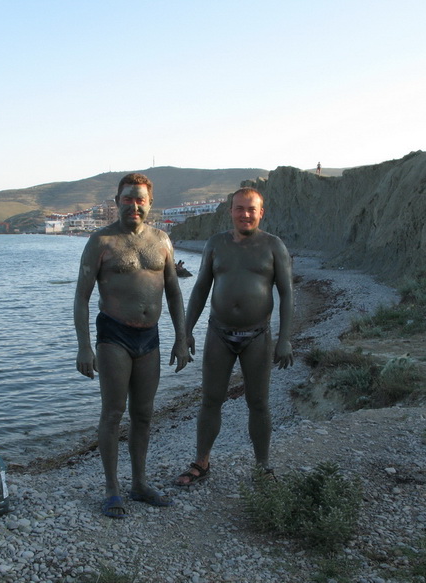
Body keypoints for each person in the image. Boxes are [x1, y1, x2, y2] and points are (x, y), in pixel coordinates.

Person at [74, 172, 191, 518]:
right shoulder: (101, 241)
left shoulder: (162, 240)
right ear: (117, 202)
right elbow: (81, 297)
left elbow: (174, 293)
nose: (134, 205)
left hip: (150, 337)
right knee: (113, 413)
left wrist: (181, 338)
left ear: (150, 203)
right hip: (114, 334)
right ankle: (112, 489)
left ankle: (139, 483)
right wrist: (84, 346)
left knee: (144, 413)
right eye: (127, 198)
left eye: (140, 199)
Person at [175, 187, 294, 486]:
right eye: (239, 208)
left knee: (259, 403)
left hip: (258, 335)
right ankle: (201, 462)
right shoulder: (216, 244)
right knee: (210, 400)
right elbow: (201, 289)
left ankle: (263, 466)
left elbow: (287, 294)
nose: (245, 214)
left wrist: (285, 338)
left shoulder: (273, 246)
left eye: (251, 209)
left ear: (261, 212)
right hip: (219, 333)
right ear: (230, 211)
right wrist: (186, 332)